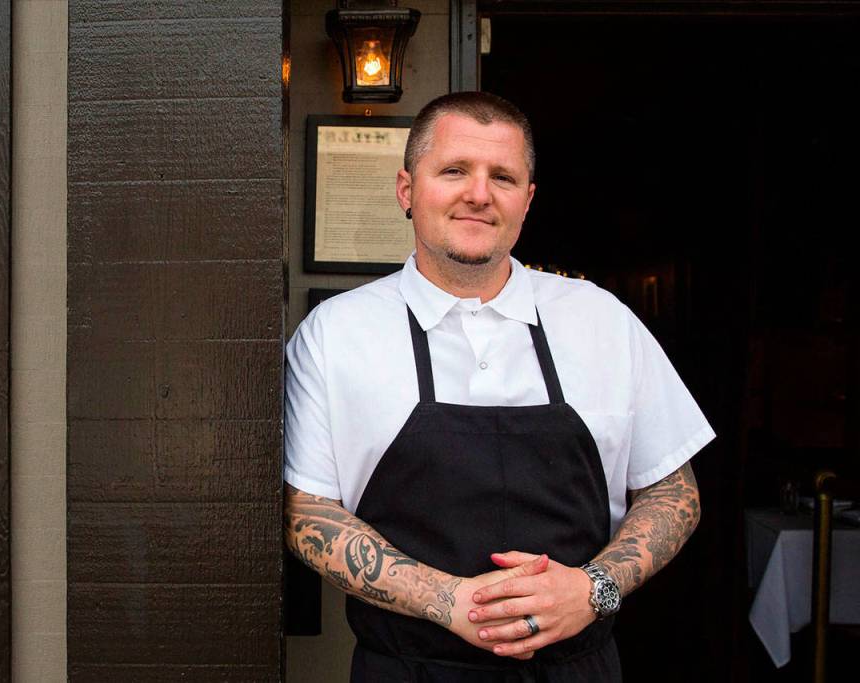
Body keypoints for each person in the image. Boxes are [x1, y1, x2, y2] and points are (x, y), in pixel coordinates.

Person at [283, 91, 715, 682]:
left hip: (579, 670)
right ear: (407, 190)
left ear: (527, 200)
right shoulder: (335, 333)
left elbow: (673, 492)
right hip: (408, 671)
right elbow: (305, 509)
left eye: (503, 177)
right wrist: (448, 600)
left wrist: (592, 589)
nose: (479, 194)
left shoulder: (603, 320)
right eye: (454, 170)